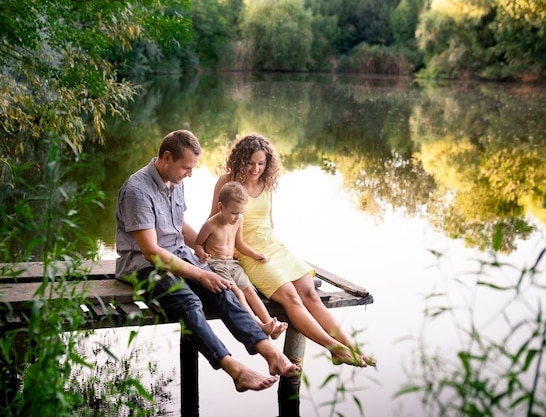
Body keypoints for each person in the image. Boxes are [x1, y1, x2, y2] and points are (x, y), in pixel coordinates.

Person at [114, 130, 300, 393]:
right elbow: (152, 252)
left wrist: (204, 249)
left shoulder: (174, 181)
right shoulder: (137, 191)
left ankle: (270, 353)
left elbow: (178, 226)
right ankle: (235, 370)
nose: (189, 174)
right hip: (145, 268)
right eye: (186, 167)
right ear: (167, 157)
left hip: (180, 256)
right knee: (190, 303)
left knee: (222, 289)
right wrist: (201, 275)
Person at [210, 133, 376, 367]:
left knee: (310, 295)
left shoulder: (266, 183)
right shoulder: (227, 182)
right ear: (240, 159)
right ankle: (334, 348)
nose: (256, 168)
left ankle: (351, 347)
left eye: (262, 163)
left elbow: (268, 220)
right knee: (291, 298)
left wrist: (277, 247)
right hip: (247, 252)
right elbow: (214, 221)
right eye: (251, 162)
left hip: (274, 246)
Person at [193, 181, 288, 340]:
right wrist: (202, 254)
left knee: (250, 290)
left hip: (233, 263)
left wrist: (254, 254)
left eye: (241, 212)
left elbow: (239, 243)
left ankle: (271, 323)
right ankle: (258, 324)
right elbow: (197, 244)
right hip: (216, 264)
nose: (238, 217)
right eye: (234, 213)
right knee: (237, 292)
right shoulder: (211, 225)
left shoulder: (238, 220)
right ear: (220, 207)